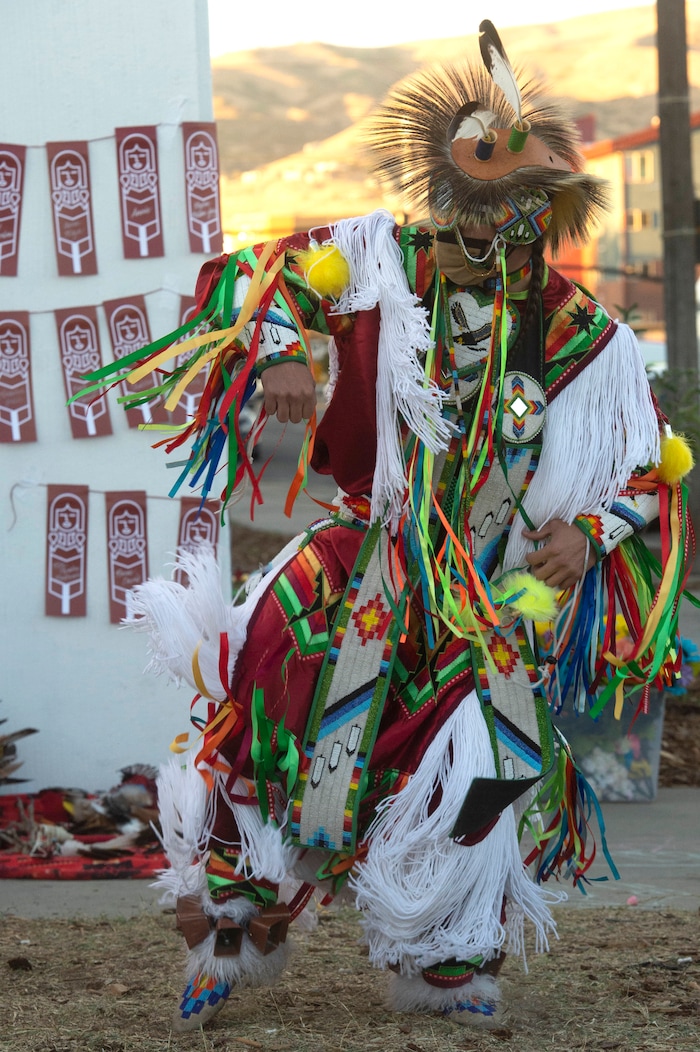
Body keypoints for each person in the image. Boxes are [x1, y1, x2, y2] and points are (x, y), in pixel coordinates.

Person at [99, 22, 694, 1033]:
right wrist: (285, 349)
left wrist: (591, 530)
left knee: (493, 758)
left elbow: (658, 459)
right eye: (480, 197)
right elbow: (260, 279)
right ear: (445, 188)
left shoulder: (571, 328)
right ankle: (241, 923)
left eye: (521, 207)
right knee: (275, 698)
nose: (496, 225)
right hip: (363, 556)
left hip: (488, 592)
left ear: (541, 215)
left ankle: (441, 951)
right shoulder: (377, 260)